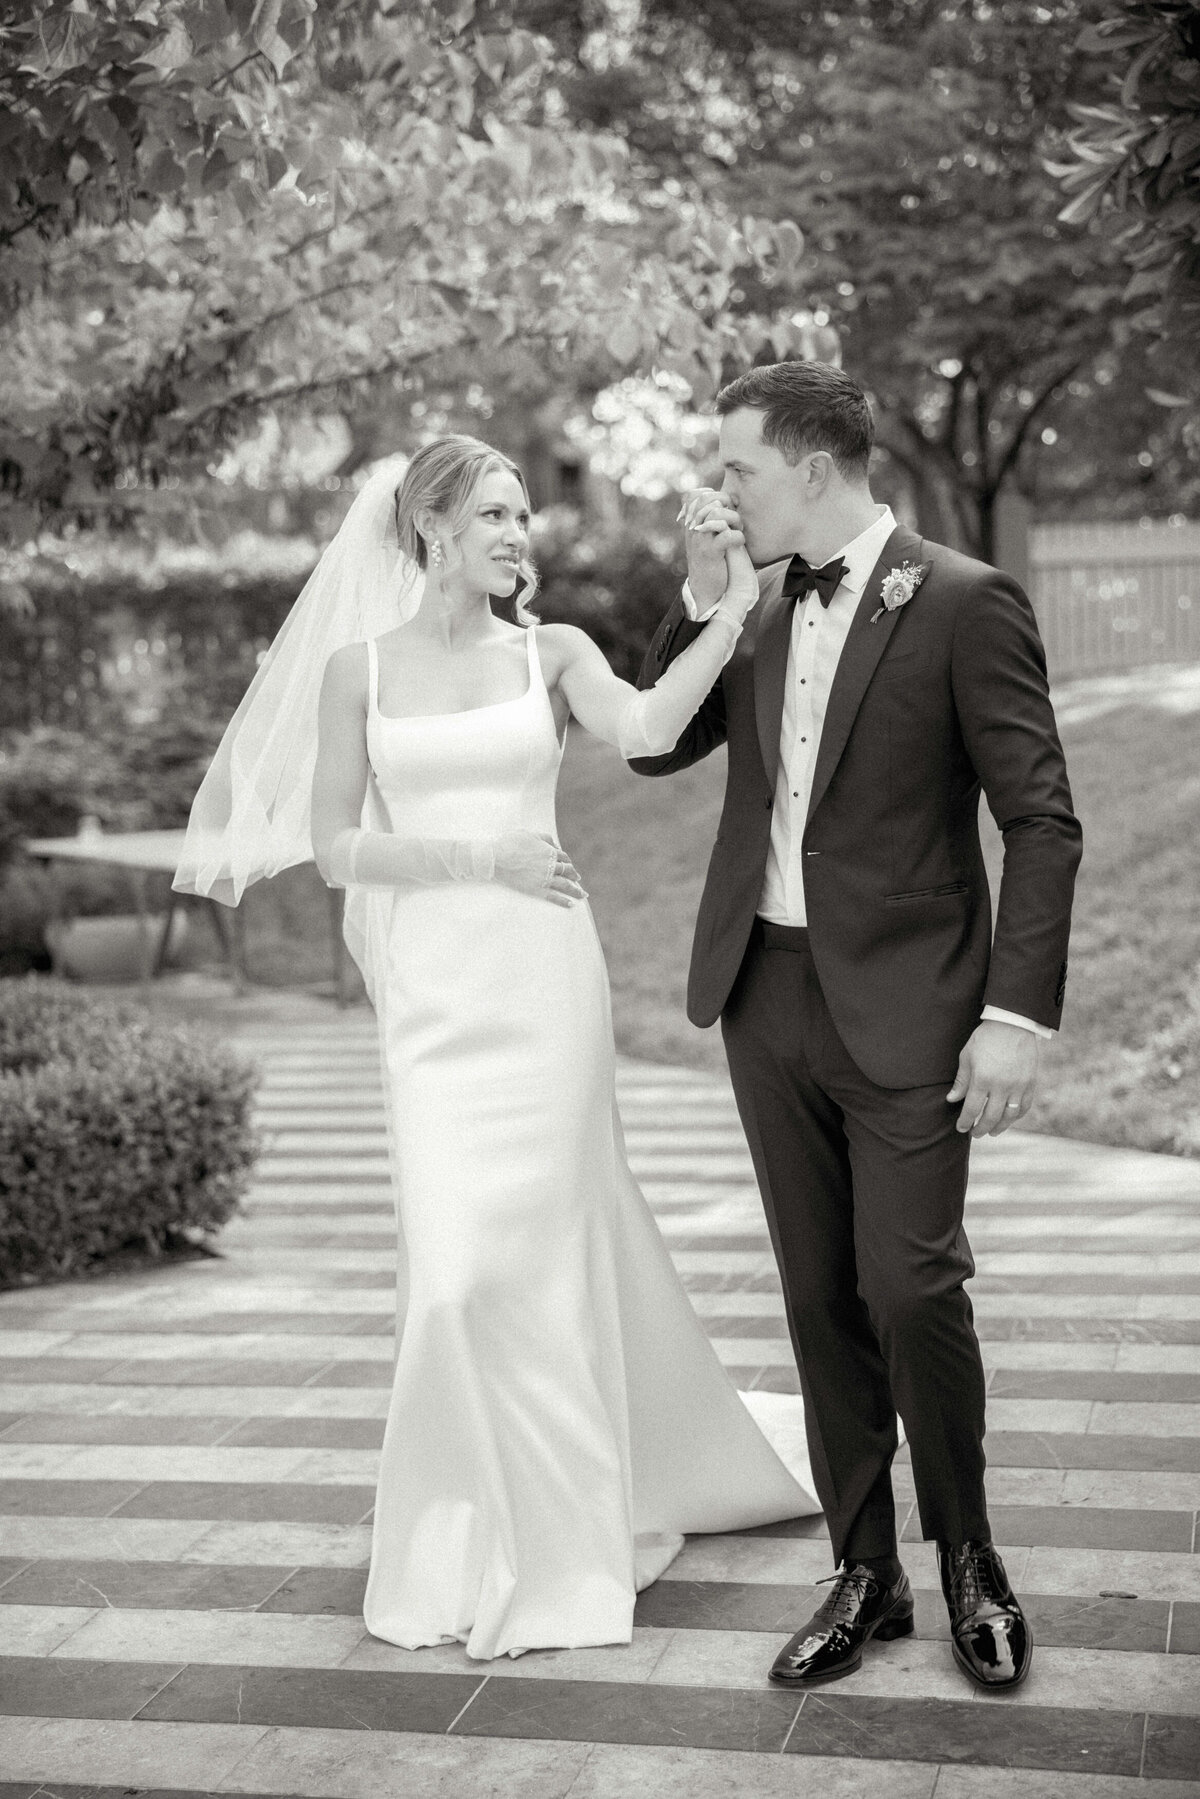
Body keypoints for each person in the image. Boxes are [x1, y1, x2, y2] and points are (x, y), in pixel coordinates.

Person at [175, 433, 819, 1662]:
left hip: (542, 984)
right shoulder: (358, 670)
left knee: (546, 1247)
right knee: (459, 1271)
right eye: (492, 517)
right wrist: (478, 858)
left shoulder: (554, 651)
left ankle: (566, 1534)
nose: (518, 536)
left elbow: (641, 733)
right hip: (436, 994)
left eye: (524, 515)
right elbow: (333, 845)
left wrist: (728, 610)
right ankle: (462, 1522)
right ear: (428, 529)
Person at [629, 361, 1082, 1692]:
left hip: (918, 1010)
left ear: (814, 468)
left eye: (737, 471)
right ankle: (866, 1568)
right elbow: (657, 746)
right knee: (820, 1295)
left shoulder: (963, 600)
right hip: (763, 998)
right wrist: (711, 607)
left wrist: (1014, 1013)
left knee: (911, 1285)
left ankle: (970, 1559)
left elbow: (1041, 817)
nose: (721, 494)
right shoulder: (752, 606)